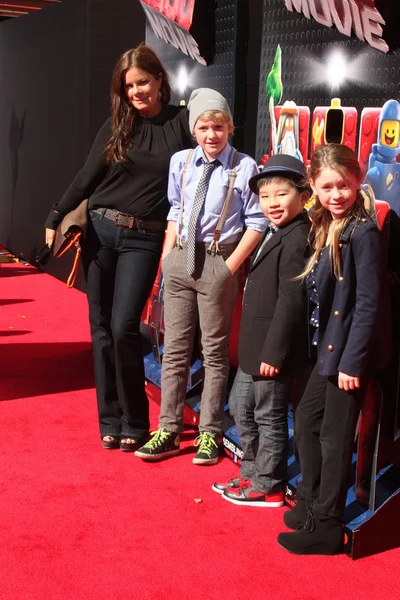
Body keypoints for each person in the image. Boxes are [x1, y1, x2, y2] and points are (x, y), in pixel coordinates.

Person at [44, 44, 193, 451]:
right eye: (128, 86)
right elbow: (87, 176)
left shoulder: (182, 123)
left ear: (160, 79)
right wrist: (55, 216)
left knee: (125, 326)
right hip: (101, 232)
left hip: (144, 237)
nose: (136, 92)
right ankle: (110, 419)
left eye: (142, 82)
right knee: (101, 329)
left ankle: (136, 419)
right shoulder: (118, 125)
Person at [135, 88, 267, 464]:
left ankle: (209, 431)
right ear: (195, 130)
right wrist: (166, 259)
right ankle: (168, 429)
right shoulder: (180, 161)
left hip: (217, 259)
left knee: (213, 352)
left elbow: (255, 223)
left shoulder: (244, 167)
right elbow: (176, 209)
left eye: (219, 126)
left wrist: (228, 269)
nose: (212, 134)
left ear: (230, 127)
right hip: (180, 259)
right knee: (175, 350)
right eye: (205, 126)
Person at [277, 143, 390, 555]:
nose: (336, 194)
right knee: (306, 421)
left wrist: (352, 361)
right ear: (314, 188)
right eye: (327, 187)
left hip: (348, 358)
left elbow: (368, 305)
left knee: (334, 436)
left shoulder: (363, 232)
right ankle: (309, 503)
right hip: (328, 352)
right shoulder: (325, 224)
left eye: (343, 185)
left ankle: (326, 524)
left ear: (357, 180)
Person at [212, 154, 311, 507]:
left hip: (272, 351)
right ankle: (252, 471)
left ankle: (267, 483)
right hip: (255, 346)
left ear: (303, 195)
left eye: (281, 194)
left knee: (268, 416)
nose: (272, 203)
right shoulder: (277, 232)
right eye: (266, 197)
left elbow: (291, 302)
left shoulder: (298, 237)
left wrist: (274, 352)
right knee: (240, 408)